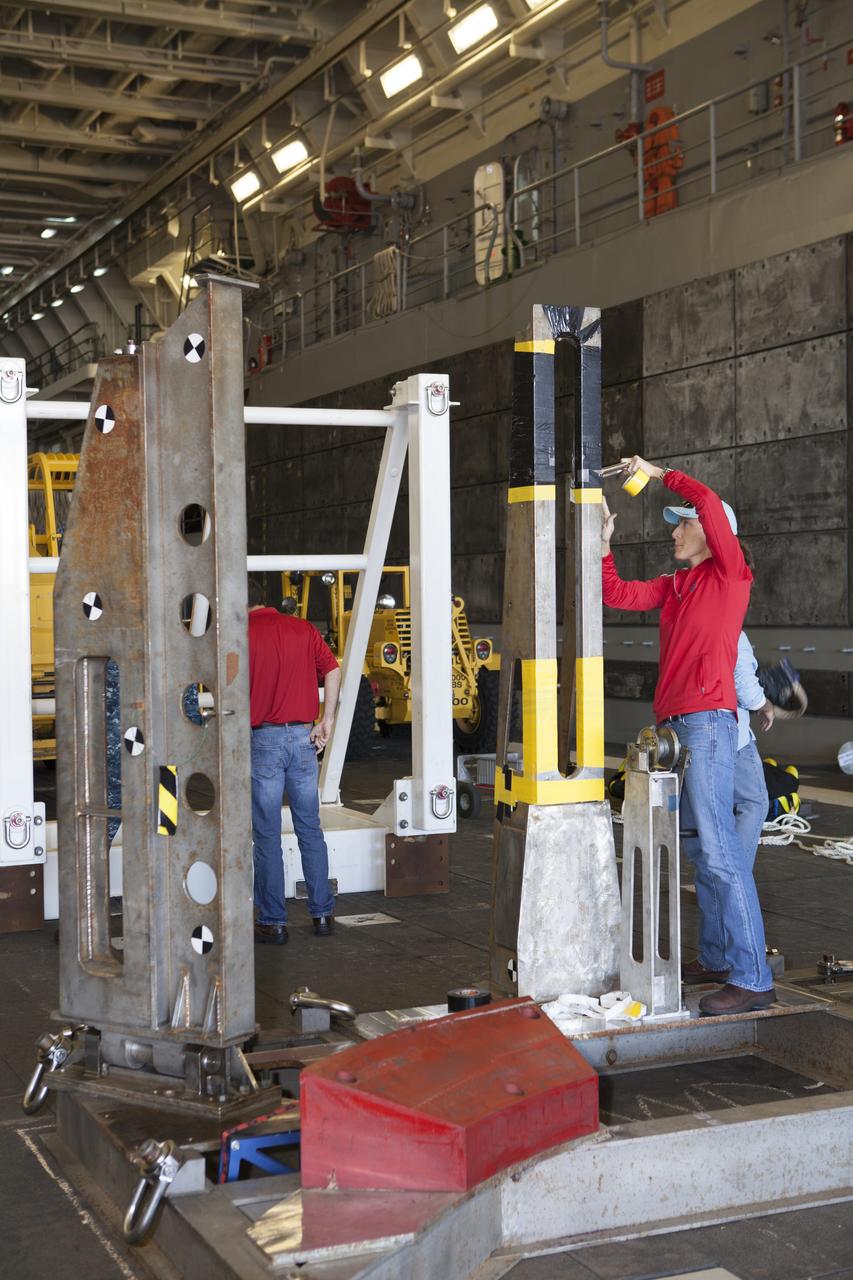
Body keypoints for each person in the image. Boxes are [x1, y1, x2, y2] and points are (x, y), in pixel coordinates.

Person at [601, 457, 775, 1015]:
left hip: (707, 723)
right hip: (677, 726)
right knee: (704, 852)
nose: (674, 533)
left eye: (684, 524)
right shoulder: (677, 585)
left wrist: (659, 473)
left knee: (721, 855)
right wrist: (603, 545)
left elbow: (706, 500)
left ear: (711, 531)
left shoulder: (730, 575)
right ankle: (721, 960)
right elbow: (616, 594)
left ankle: (753, 979)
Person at [248, 578, 341, 945]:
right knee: (309, 828)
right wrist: (327, 719)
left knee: (267, 834)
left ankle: (274, 922)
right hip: (304, 738)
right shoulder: (302, 628)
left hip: (264, 741)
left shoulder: (238, 634)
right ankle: (322, 915)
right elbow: (332, 668)